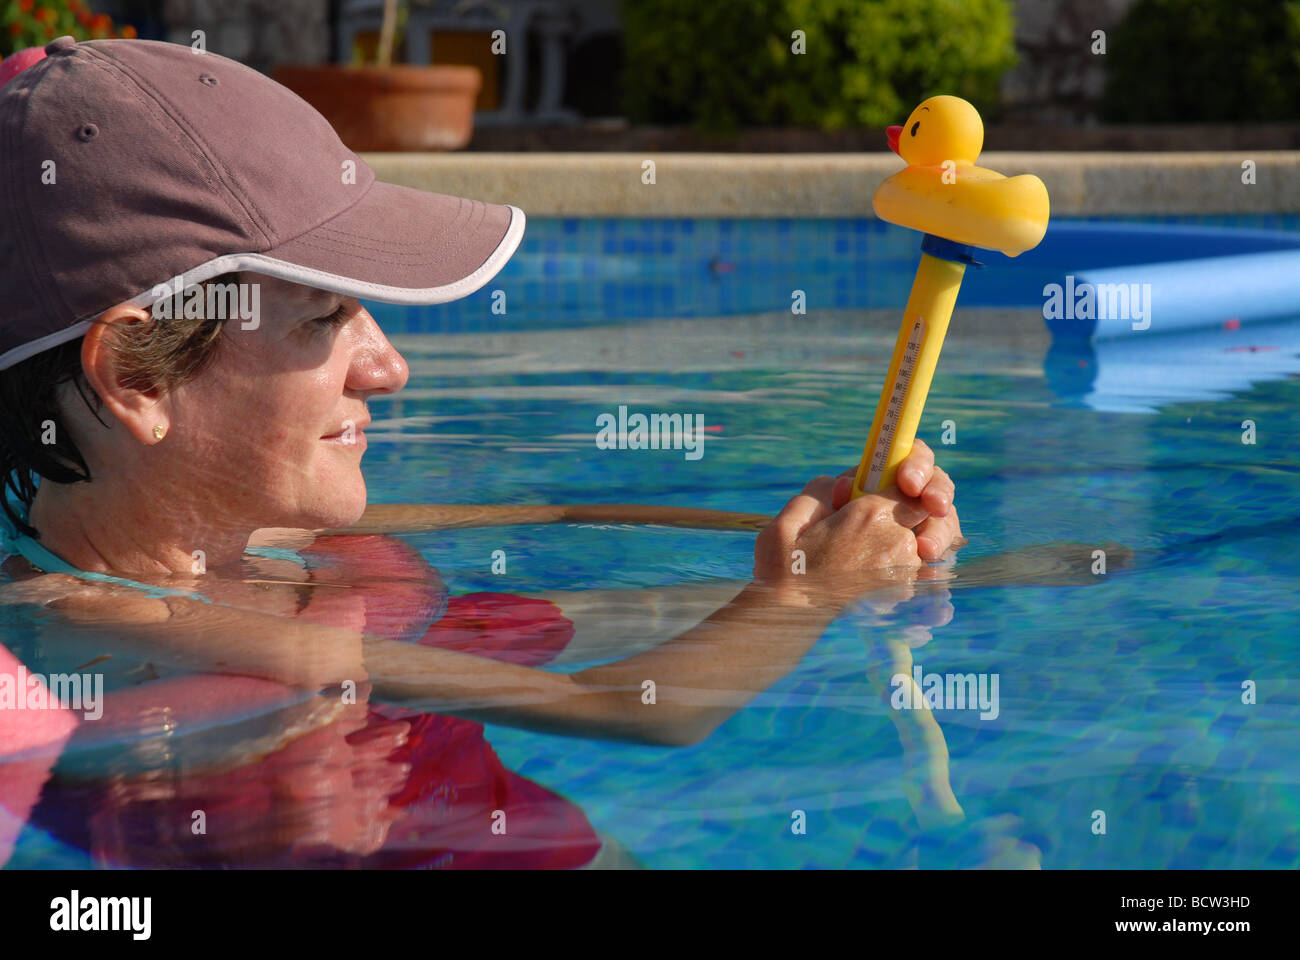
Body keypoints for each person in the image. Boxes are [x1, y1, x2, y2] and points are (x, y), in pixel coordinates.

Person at [0, 38, 963, 867]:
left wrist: (846, 531)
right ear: (138, 378)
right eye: (327, 318)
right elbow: (630, 710)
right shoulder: (111, 622)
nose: (391, 369)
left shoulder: (260, 532)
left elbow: (553, 517)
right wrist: (806, 595)